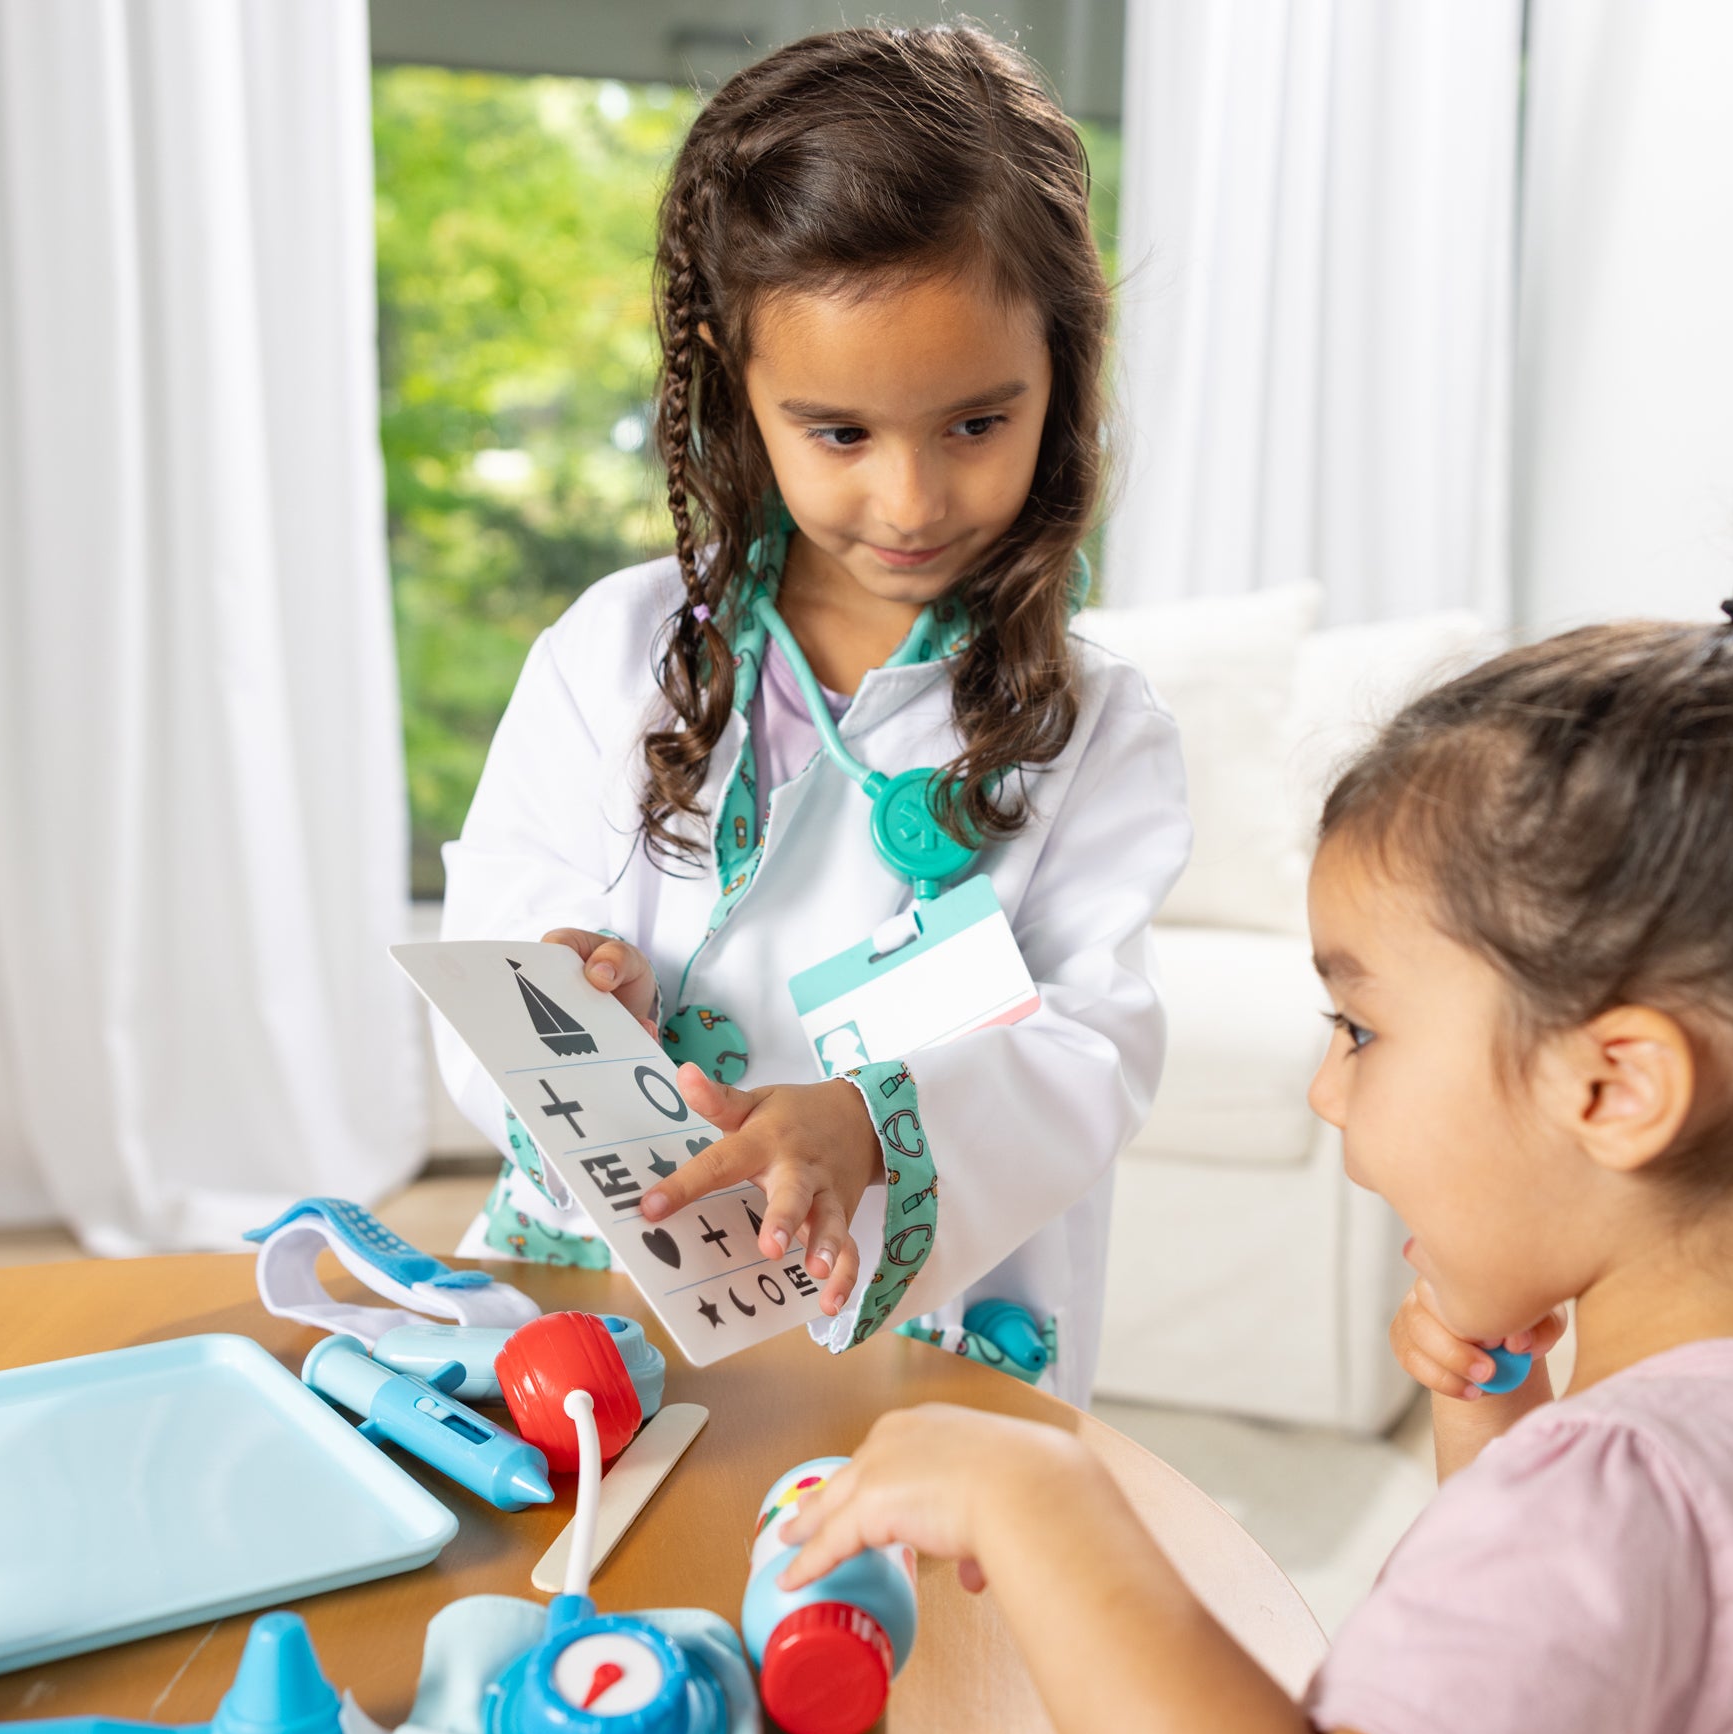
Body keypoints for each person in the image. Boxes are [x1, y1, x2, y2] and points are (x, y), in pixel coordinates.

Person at [779, 501, 1733, 1734]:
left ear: (1615, 1089)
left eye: (1361, 1028)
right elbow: (1565, 1685)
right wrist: (1497, 1426)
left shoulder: (1620, 1501)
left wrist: (1043, 1498)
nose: (1328, 1089)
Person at [437, 27, 1188, 1401]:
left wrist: (870, 1129)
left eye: (976, 425)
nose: (911, 500)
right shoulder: (613, 654)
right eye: (840, 433)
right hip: (613, 1282)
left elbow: (1096, 1047)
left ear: (1063, 369)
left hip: (918, 1331)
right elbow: (496, 935)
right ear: (736, 383)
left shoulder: (1099, 731)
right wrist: (574, 980)